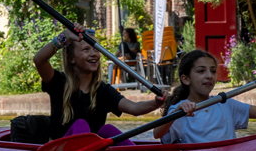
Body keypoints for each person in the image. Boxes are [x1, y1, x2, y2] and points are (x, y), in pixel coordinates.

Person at [34, 28, 164, 140]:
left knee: (108, 130)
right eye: (86, 49)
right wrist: (64, 37)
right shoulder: (58, 82)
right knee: (81, 125)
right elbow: (39, 60)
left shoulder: (103, 90)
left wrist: (157, 103)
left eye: (95, 49)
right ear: (71, 58)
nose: (93, 54)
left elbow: (134, 108)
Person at [153, 49, 256, 144]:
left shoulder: (225, 103)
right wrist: (176, 112)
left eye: (212, 71)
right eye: (201, 71)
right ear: (185, 79)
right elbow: (157, 134)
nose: (209, 76)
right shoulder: (179, 109)